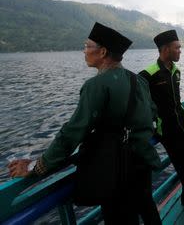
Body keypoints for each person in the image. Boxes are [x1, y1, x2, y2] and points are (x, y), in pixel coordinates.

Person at [8, 22, 162, 225]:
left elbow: (72, 132)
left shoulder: (96, 85)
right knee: (148, 211)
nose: (84, 51)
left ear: (103, 52)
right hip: (142, 161)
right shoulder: (138, 80)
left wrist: (38, 166)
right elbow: (152, 112)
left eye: (87, 46)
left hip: (116, 168)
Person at [139, 31, 184, 225]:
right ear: (165, 49)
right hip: (169, 133)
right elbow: (141, 105)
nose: (181, 50)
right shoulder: (147, 75)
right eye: (177, 47)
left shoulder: (176, 71)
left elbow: (177, 102)